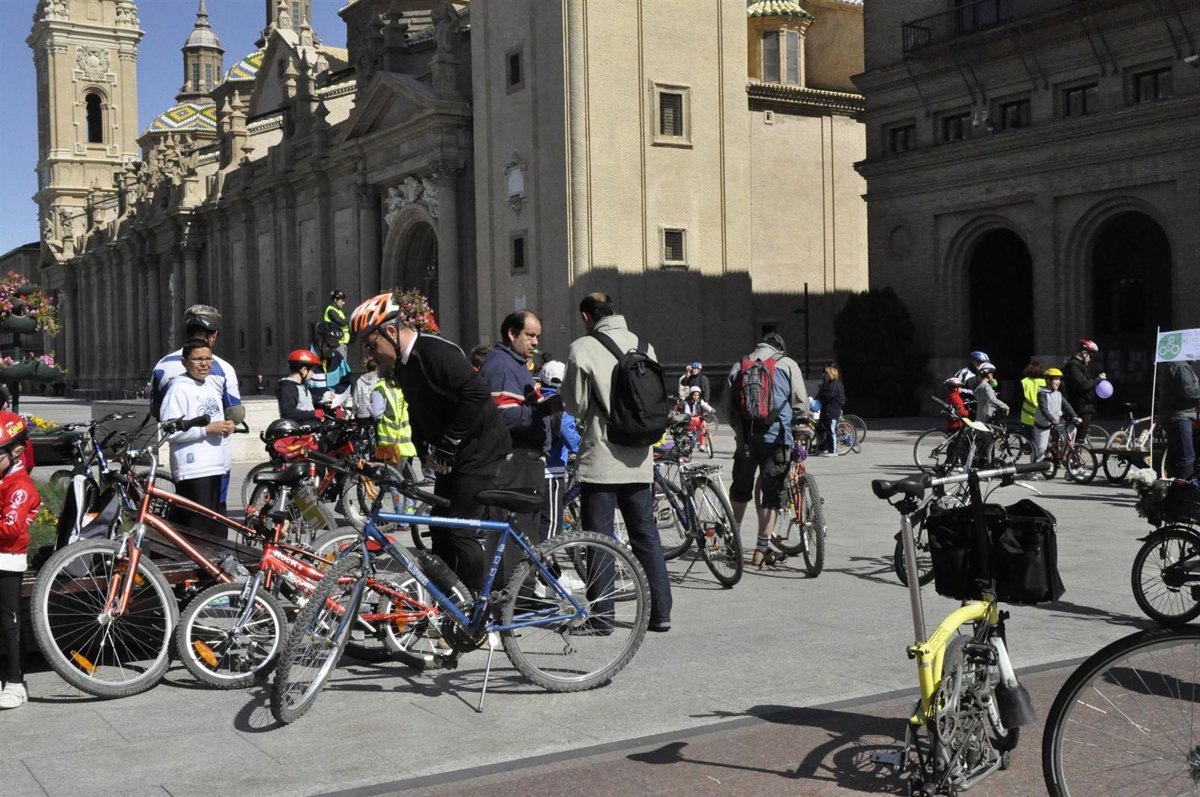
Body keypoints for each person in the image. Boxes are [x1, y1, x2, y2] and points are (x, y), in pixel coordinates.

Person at [348, 290, 510, 594]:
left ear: (391, 332)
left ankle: (480, 606)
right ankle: (448, 600)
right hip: (456, 453)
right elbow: (416, 407)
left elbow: (476, 394)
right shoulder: (403, 365)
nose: (370, 356)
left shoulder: (436, 352)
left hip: (481, 450)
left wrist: (448, 443)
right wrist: (424, 449)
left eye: (371, 346)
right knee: (439, 526)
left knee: (460, 530)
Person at [562, 291, 673, 632]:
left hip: (602, 458)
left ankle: (602, 616)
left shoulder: (582, 347)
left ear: (586, 316)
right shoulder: (645, 346)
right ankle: (660, 613)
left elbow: (575, 404)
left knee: (600, 539)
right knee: (646, 535)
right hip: (639, 457)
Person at [480, 310, 555, 581]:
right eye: (529, 335)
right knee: (520, 534)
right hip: (516, 462)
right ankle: (519, 595)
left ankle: (499, 592)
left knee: (503, 530)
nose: (535, 342)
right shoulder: (502, 366)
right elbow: (504, 416)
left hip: (516, 460)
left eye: (537, 336)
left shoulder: (513, 362)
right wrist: (546, 409)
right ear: (512, 334)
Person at [726, 332, 810, 569]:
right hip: (777, 438)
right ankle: (761, 550)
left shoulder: (739, 365)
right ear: (780, 348)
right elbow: (800, 403)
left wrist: (740, 431)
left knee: (740, 489)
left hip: (746, 440)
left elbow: (728, 407)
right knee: (771, 495)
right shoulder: (787, 364)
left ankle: (734, 542)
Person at [149, 304, 241, 515]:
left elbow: (156, 411)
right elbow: (235, 413)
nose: (203, 364)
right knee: (214, 516)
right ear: (214, 335)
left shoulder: (161, 365)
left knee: (187, 515)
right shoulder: (222, 367)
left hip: (184, 463)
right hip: (215, 459)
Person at [160, 340, 236, 541]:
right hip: (193, 469)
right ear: (184, 362)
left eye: (208, 359)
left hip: (215, 466)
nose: (204, 364)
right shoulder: (177, 389)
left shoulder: (210, 387)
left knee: (214, 527)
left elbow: (215, 420)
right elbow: (169, 430)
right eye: (198, 359)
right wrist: (206, 430)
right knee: (196, 529)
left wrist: (227, 427)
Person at [0, 412, 39, 710]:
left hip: (7, 560)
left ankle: (15, 681)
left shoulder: (20, 486)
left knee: (9, 622)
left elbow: (11, 526)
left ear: (15, 452)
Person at [537, 360, 579, 540]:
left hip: (531, 468)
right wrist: (585, 448)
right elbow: (568, 435)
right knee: (552, 522)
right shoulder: (560, 404)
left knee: (535, 519)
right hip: (552, 470)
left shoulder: (534, 398)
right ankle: (546, 556)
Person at [1032, 367, 1080, 474]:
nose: (1058, 382)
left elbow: (1066, 406)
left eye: (1059, 379)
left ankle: (1064, 455)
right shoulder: (1042, 393)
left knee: (1073, 429)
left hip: (1056, 422)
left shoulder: (1058, 393)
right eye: (1055, 379)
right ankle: (1032, 472)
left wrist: (1075, 416)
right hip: (1043, 424)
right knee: (1040, 449)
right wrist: (1051, 419)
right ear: (1048, 381)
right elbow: (1044, 409)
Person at [1158, 360, 1200, 479]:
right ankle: (1186, 486)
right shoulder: (1181, 366)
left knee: (1175, 456)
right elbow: (1189, 392)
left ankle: (1174, 486)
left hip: (1172, 415)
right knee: (1186, 457)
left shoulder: (1171, 364)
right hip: (1180, 416)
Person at [1062, 339, 1106, 442]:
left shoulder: (1080, 366)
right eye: (1091, 355)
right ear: (1084, 353)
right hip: (1080, 406)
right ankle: (1074, 452)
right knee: (1079, 439)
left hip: (1085, 406)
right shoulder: (1073, 366)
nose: (1091, 359)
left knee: (1079, 436)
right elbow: (1083, 385)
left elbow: (1087, 382)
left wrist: (1096, 380)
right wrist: (1098, 380)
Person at [307, 321, 353, 414]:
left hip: (333, 412)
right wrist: (319, 399)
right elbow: (297, 391)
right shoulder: (305, 359)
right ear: (320, 340)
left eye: (335, 346)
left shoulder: (337, 357)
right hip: (312, 413)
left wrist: (337, 396)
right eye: (330, 346)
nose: (332, 350)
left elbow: (346, 382)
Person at [276, 349, 324, 423]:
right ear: (304, 370)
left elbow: (307, 400)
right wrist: (313, 414)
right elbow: (288, 413)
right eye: (312, 371)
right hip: (300, 429)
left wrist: (323, 399)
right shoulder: (288, 388)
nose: (313, 374)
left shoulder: (300, 386)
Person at [813, 364, 845, 457]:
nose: (825, 375)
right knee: (822, 429)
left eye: (826, 373)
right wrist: (815, 400)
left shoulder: (835, 384)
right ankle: (821, 448)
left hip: (832, 411)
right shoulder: (828, 383)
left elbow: (829, 396)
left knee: (831, 431)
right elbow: (821, 393)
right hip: (825, 411)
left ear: (830, 374)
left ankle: (833, 451)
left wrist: (820, 399)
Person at [1019, 361, 1046, 433]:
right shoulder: (1045, 382)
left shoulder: (1024, 382)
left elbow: (1020, 398)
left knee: (1028, 438)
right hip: (1043, 418)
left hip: (1027, 418)